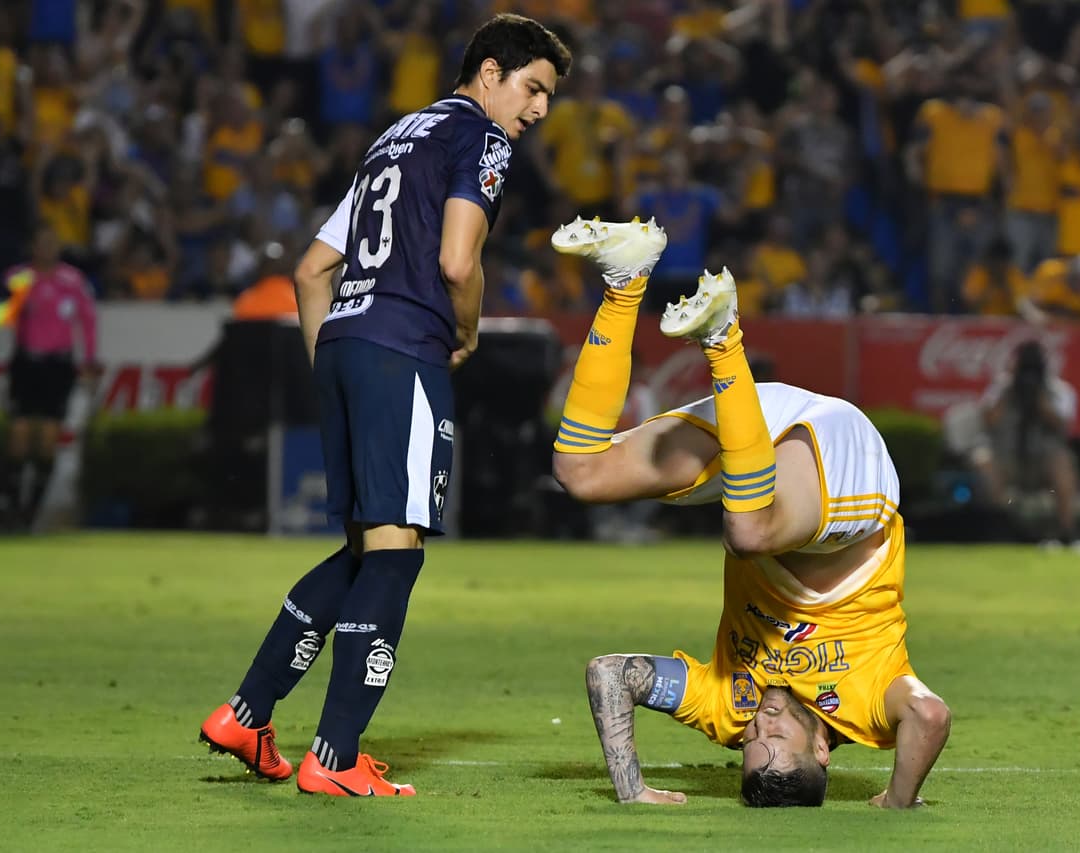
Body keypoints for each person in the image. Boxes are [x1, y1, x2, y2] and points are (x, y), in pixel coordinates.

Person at [198, 14, 571, 798]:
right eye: (533, 89)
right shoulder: (480, 138)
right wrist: (464, 330)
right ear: (491, 72)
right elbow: (457, 259)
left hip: (342, 346)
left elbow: (311, 272)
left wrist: (339, 363)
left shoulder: (395, 136)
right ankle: (333, 758)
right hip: (402, 348)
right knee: (397, 554)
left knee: (370, 550)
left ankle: (246, 711)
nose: (538, 111)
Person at [547, 218, 950, 808]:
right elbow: (929, 715)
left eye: (751, 744)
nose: (760, 725)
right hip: (846, 480)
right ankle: (723, 335)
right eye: (777, 736)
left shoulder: (727, 708)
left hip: (754, 445)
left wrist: (632, 791)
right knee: (749, 531)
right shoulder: (866, 708)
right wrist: (898, 799)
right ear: (820, 751)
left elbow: (610, 674)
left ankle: (625, 276)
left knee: (580, 472)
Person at [0, 222, 98, 531]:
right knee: (19, 435)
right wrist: (14, 302)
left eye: (53, 242)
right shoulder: (19, 278)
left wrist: (89, 360)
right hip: (27, 362)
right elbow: (1, 318)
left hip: (58, 366)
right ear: (33, 247)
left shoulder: (72, 281)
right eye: (42, 242)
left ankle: (30, 512)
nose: (48, 248)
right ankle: (10, 506)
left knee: (49, 437)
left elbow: (88, 322)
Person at [970, 340, 1080, 543]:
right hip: (1008, 457)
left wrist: (1039, 399)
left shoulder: (1059, 390)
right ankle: (998, 528)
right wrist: (1010, 391)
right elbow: (988, 421)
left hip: (1042, 460)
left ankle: (1067, 531)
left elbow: (1064, 427)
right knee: (985, 461)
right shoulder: (1002, 387)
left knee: (1063, 462)